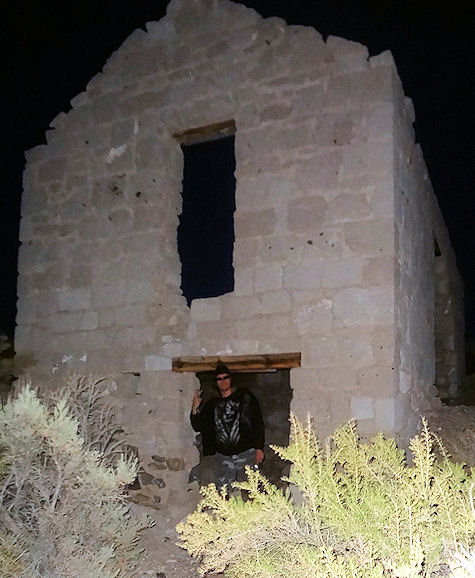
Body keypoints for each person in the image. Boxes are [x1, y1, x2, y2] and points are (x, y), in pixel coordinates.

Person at [190, 364, 265, 488]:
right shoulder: (211, 406)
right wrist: (195, 408)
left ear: (231, 379)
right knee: (223, 492)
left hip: (246, 453)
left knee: (251, 490)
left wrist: (259, 448)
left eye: (225, 377)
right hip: (223, 457)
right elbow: (198, 426)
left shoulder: (245, 398)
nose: (223, 381)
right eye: (219, 379)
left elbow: (257, 422)